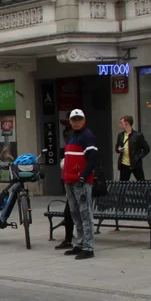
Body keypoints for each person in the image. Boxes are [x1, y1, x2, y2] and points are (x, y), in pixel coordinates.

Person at [62, 108, 98, 260]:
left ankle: (88, 247)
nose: (76, 122)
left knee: (85, 213)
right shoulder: (71, 136)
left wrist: (83, 177)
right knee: (75, 213)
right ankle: (80, 243)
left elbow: (93, 159)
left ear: (84, 120)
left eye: (79, 119)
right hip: (69, 181)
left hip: (81, 182)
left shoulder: (87, 136)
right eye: (74, 120)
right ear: (70, 121)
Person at [115, 115, 150, 181]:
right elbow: (117, 148)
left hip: (135, 164)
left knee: (141, 182)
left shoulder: (137, 135)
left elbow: (147, 149)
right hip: (124, 164)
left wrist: (138, 157)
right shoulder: (121, 135)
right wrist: (119, 149)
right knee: (123, 184)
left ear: (127, 123)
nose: (120, 125)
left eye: (121, 123)